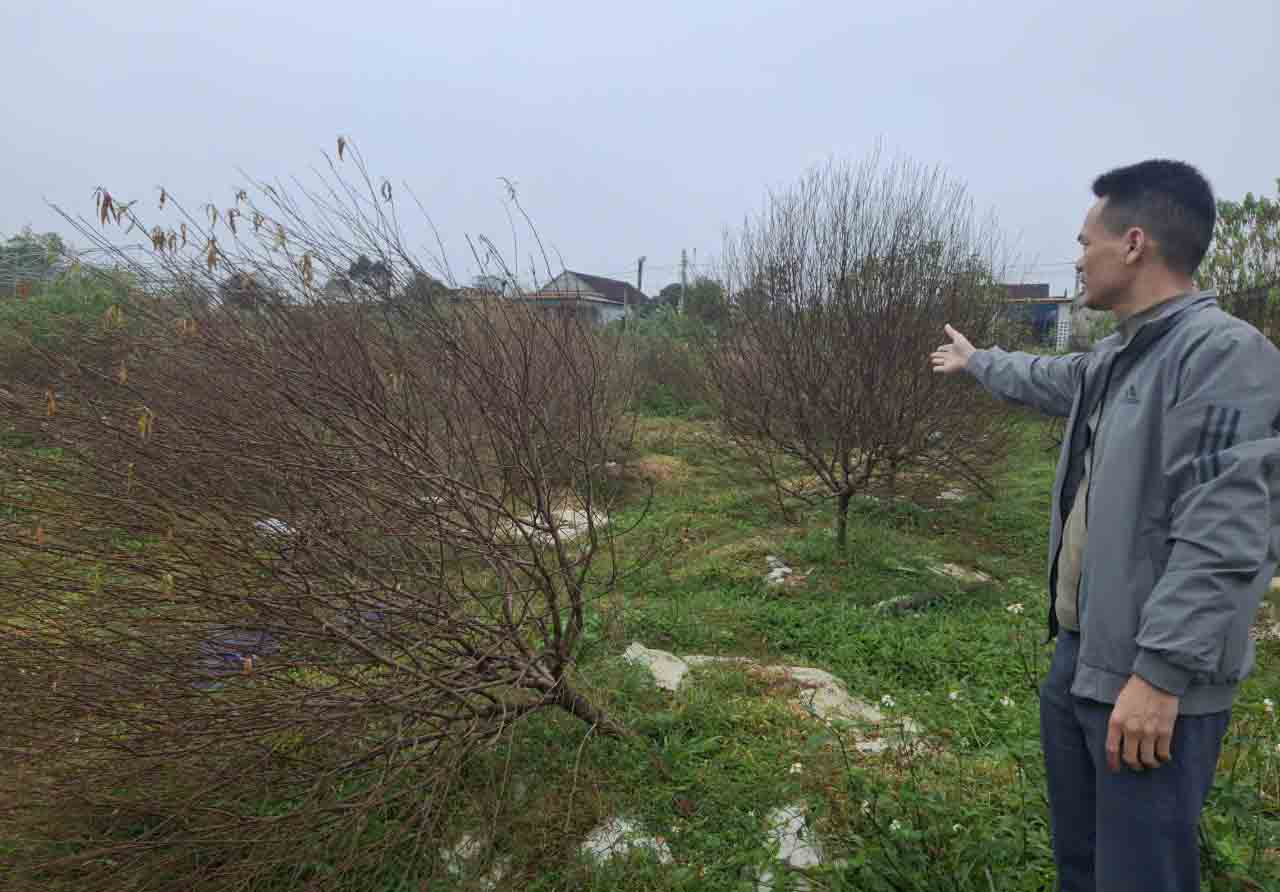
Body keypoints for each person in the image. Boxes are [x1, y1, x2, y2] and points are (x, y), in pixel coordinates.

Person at [931, 159, 1280, 891]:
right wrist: (979, 361)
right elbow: (1048, 378)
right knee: (1082, 865)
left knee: (1139, 875)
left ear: (1133, 243)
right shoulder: (1120, 354)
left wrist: (1158, 675)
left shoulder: (1222, 356)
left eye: (1084, 240)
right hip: (1082, 659)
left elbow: (1228, 532)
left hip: (1150, 681)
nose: (1077, 257)